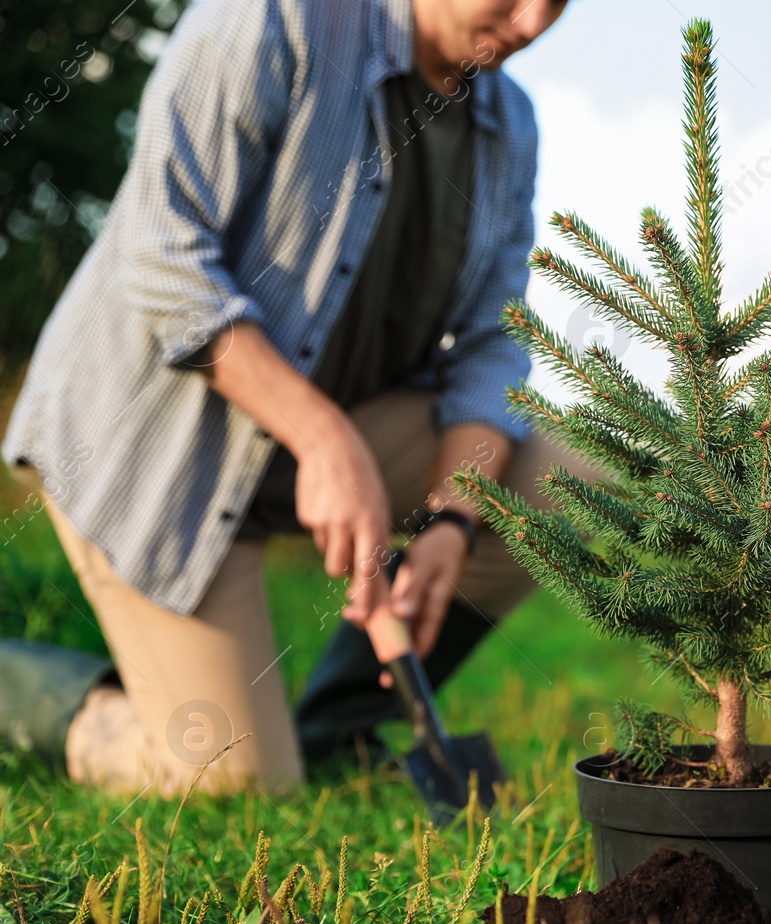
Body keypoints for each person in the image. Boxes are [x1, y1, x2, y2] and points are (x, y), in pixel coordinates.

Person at [1, 0, 574, 795]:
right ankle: (22, 691)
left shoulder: (510, 127)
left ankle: (335, 729)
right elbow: (164, 254)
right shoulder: (274, 19)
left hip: (317, 438)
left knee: (559, 476)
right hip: (158, 449)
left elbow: (493, 341)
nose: (531, 22)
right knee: (227, 781)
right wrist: (323, 438)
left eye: (559, 1)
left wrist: (452, 517)